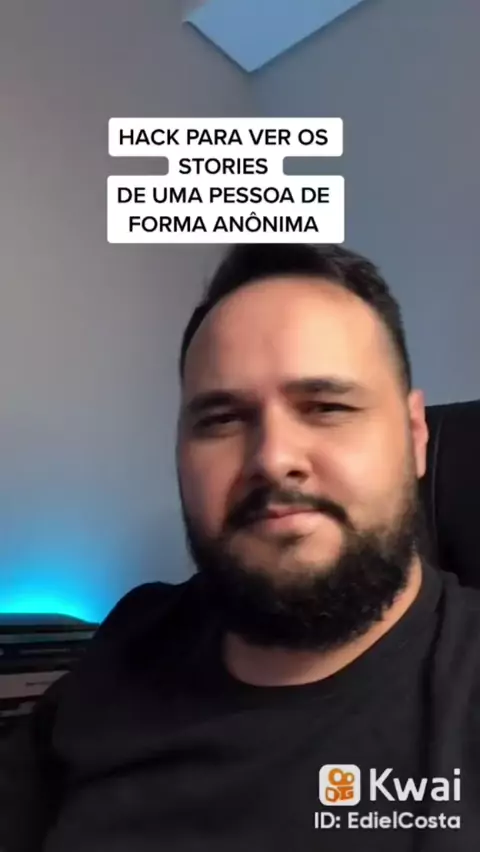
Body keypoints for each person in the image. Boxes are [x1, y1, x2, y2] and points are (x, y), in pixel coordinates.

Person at [1, 243, 480, 852]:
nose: (273, 458)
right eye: (222, 419)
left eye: (327, 407)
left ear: (415, 438)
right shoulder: (132, 638)